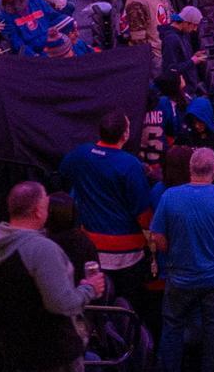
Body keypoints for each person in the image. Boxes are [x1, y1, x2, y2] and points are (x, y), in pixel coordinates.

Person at [0, 182, 105, 372]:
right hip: (53, 355)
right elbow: (63, 304)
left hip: (16, 347)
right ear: (38, 211)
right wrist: (89, 288)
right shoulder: (41, 249)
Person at [151, 147, 214, 372]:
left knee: (172, 326)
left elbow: (157, 237)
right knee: (213, 328)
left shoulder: (170, 196)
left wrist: (171, 253)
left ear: (190, 168)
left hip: (179, 276)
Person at [60, 111, 158, 329]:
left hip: (91, 252)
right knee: (125, 312)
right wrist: (154, 242)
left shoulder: (81, 154)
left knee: (98, 310)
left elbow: (63, 173)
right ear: (125, 135)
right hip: (127, 257)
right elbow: (143, 215)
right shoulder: (130, 165)